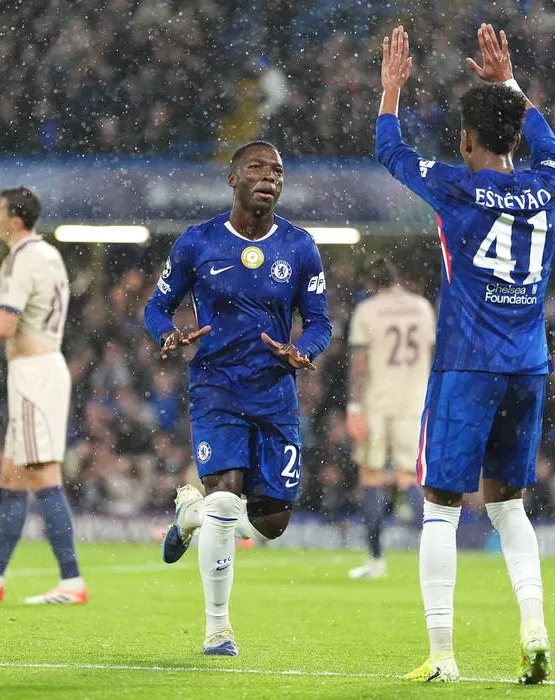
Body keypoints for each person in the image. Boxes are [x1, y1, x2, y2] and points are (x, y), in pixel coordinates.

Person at [376, 25, 555, 683]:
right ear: (515, 136)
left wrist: (391, 89)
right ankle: (534, 628)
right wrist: (508, 82)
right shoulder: (549, 185)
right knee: (509, 506)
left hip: (466, 365)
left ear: (465, 140)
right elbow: (547, 141)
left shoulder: (454, 187)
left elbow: (390, 149)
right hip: (528, 367)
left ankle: (442, 655)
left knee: (440, 506)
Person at [144, 141, 331, 656]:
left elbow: (320, 322)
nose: (270, 177)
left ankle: (190, 515)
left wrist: (303, 350)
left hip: (274, 394)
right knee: (225, 500)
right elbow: (156, 307)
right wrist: (167, 334)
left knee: (272, 524)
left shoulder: (299, 246)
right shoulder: (197, 242)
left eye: (278, 171)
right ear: (233, 179)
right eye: (257, 168)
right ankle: (218, 628)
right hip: (217, 387)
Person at [0, 186, 85, 605]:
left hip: (34, 374)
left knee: (43, 475)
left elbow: (3, 327)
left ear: (16, 219)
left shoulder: (23, 258)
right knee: (11, 476)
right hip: (42, 368)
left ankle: (72, 581)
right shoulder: (48, 254)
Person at [345, 256, 435, 580]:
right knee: (409, 478)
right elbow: (432, 355)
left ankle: (376, 561)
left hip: (377, 403)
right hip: (414, 403)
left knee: (371, 477)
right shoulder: (422, 308)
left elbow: (359, 364)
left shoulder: (367, 311)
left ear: (370, 283)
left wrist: (354, 408)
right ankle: (435, 557)